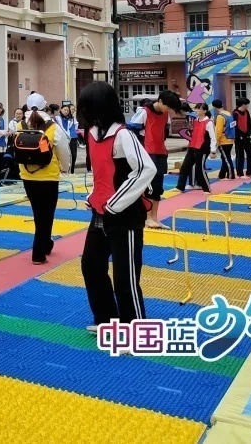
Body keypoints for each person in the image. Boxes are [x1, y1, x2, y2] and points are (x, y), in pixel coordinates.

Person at [77, 81, 156, 329]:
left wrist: (115, 203)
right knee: (91, 265)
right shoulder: (91, 134)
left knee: (126, 276)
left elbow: (146, 168)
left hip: (125, 216)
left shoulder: (123, 134)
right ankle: (107, 319)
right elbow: (101, 173)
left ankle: (135, 328)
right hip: (100, 213)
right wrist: (93, 196)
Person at [14, 95, 70, 264]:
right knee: (47, 213)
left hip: (26, 175)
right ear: (45, 107)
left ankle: (45, 243)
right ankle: (39, 250)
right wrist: (65, 168)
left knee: (38, 211)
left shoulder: (20, 125)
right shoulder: (52, 127)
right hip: (49, 175)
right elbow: (63, 150)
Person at [128, 90, 184, 228]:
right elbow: (132, 129)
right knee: (149, 186)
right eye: (168, 106)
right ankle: (147, 217)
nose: (169, 110)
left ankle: (154, 217)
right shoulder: (144, 112)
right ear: (160, 101)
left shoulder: (166, 114)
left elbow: (164, 131)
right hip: (147, 152)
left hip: (160, 152)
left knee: (158, 187)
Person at [177, 102, 216, 193]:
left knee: (200, 169)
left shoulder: (209, 122)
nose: (197, 110)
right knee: (185, 167)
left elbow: (213, 137)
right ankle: (180, 187)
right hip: (192, 146)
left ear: (204, 111)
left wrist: (213, 150)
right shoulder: (195, 121)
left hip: (202, 148)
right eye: (196, 108)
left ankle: (206, 188)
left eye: (199, 108)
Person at [231, 97, 251, 178]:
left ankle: (250, 172)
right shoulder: (235, 113)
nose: (247, 106)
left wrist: (248, 134)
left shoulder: (246, 112)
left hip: (246, 136)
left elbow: (248, 123)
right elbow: (234, 126)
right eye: (246, 104)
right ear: (243, 105)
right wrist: (239, 135)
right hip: (238, 137)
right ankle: (240, 173)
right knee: (240, 155)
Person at [211, 99, 236, 179]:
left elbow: (218, 130)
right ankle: (221, 175)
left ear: (214, 107)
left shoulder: (220, 116)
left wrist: (216, 141)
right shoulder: (228, 113)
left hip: (223, 140)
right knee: (225, 157)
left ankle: (231, 175)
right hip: (230, 138)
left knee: (226, 158)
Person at [57, 104, 80, 173]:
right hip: (63, 139)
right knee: (64, 155)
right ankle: (65, 170)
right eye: (65, 110)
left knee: (73, 155)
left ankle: (72, 171)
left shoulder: (71, 118)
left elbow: (76, 126)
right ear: (61, 110)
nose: (66, 111)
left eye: (68, 110)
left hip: (73, 138)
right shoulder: (58, 118)